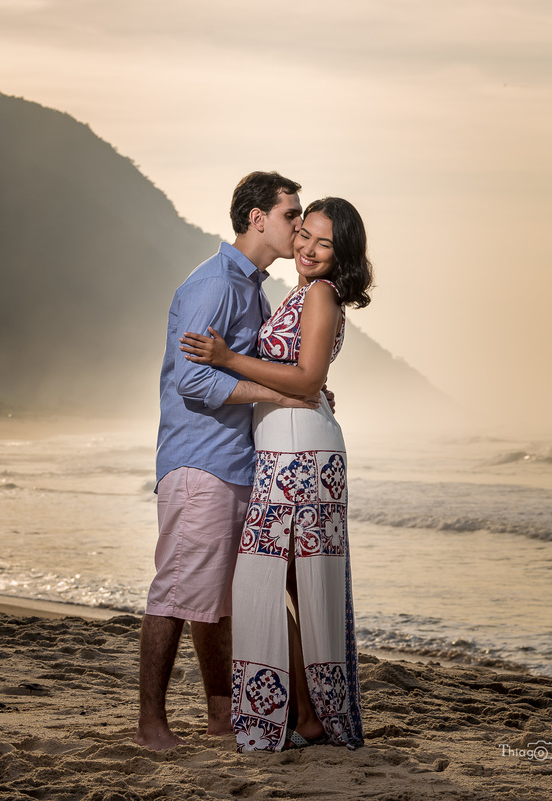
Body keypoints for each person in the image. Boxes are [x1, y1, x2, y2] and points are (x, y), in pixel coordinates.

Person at [179, 196, 373, 751]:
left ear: (341, 253)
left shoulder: (321, 293)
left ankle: (310, 713)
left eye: (323, 243)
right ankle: (307, 713)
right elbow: (303, 375)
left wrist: (227, 359)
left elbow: (307, 379)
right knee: (285, 582)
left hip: (302, 454)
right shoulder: (297, 292)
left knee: (276, 580)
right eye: (304, 234)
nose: (308, 248)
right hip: (282, 449)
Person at [135, 171, 314, 750]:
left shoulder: (253, 289)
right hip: (200, 463)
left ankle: (220, 717)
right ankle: (151, 724)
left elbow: (249, 367)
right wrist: (277, 395)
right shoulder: (215, 284)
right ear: (258, 218)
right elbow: (192, 379)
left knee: (216, 603)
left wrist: (295, 390)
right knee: (176, 593)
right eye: (291, 214)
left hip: (234, 462)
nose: (300, 225)